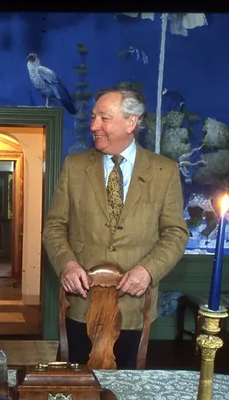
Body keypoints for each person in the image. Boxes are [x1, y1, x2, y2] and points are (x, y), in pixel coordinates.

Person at [42, 87, 189, 369]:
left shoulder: (164, 171)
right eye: (94, 117)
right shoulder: (74, 166)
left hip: (134, 307)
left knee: (127, 394)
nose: (94, 125)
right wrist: (67, 265)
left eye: (104, 118)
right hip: (81, 305)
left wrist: (147, 270)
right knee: (77, 390)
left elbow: (175, 233)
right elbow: (55, 226)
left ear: (131, 122)